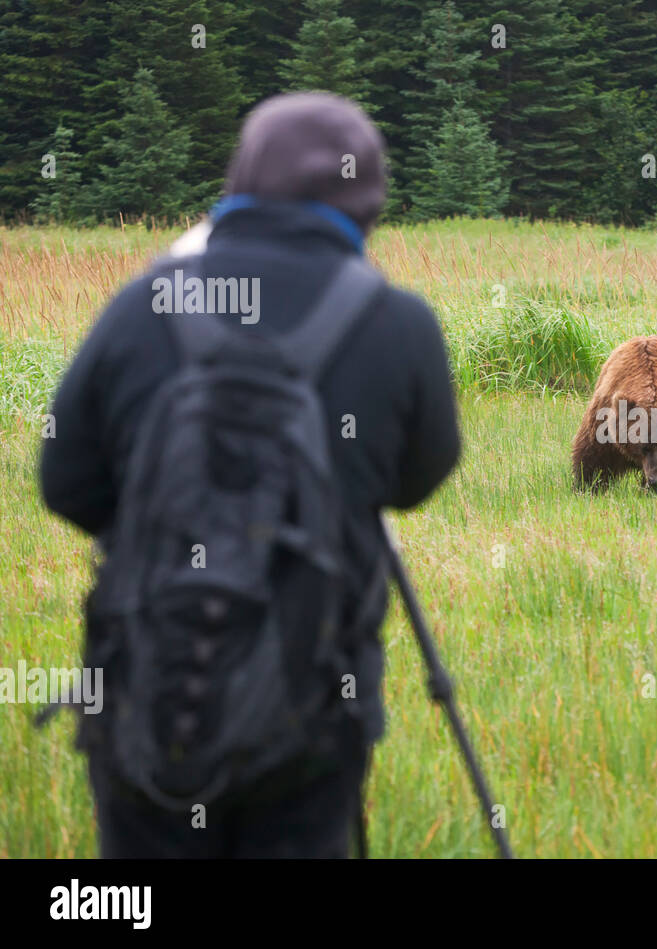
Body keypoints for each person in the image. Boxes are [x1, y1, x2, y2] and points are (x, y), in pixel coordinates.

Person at [40, 92, 460, 857]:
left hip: (151, 688)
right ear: (367, 203)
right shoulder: (398, 325)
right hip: (313, 700)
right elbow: (420, 478)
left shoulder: (144, 305)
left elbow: (64, 481)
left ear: (239, 180)